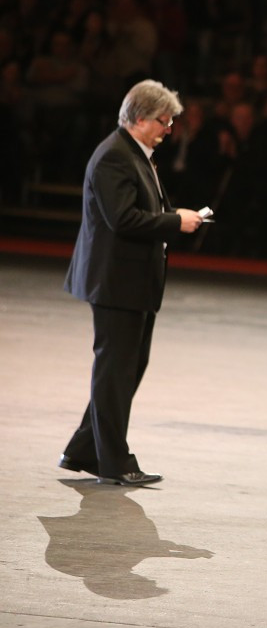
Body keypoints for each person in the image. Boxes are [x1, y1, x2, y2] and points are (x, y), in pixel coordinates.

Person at [59, 79, 204, 486]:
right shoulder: (115, 157)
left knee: (124, 368)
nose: (169, 128)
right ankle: (116, 462)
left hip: (130, 281)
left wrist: (177, 215)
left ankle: (83, 450)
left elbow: (145, 207)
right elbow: (122, 219)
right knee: (116, 371)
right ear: (139, 118)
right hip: (116, 282)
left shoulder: (134, 153)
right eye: (164, 120)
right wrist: (176, 222)